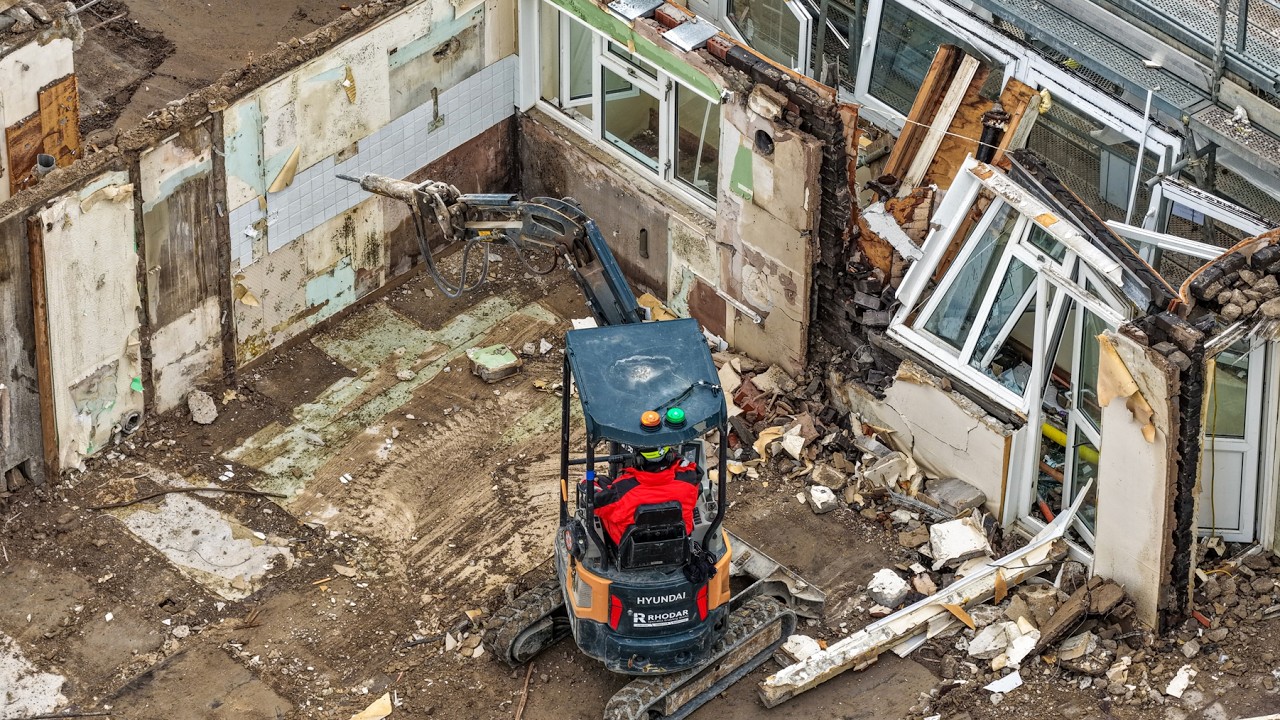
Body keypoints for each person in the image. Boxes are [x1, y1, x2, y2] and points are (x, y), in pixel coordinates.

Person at [592, 446, 700, 545]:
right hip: (677, 544)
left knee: (601, 484)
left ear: (638, 461)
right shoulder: (689, 480)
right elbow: (695, 470)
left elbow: (593, 502)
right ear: (669, 457)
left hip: (628, 548)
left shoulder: (622, 489)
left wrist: (587, 482)